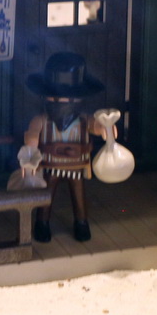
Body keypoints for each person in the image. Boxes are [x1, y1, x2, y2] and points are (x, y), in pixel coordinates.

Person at [24, 52, 107, 242]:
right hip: (50, 164)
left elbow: (95, 125)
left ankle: (82, 223)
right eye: (55, 98)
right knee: (47, 193)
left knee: (78, 193)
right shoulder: (42, 120)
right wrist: (30, 151)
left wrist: (105, 128)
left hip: (76, 165)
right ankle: (42, 223)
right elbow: (33, 134)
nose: (62, 102)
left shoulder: (83, 119)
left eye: (69, 99)